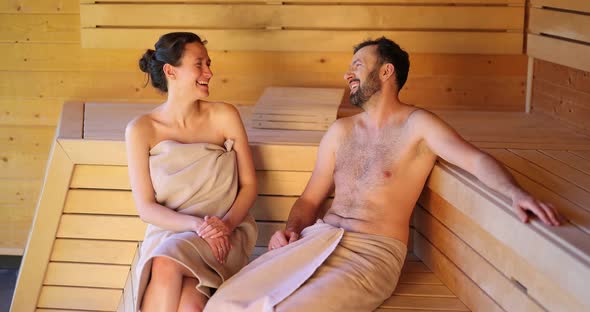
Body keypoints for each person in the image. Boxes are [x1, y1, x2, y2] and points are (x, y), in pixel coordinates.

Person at [204, 37, 561, 312]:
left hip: (371, 254)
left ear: (386, 71)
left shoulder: (418, 126)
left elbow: (477, 160)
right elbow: (310, 198)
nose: (348, 73)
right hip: (317, 239)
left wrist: (516, 193)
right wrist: (292, 230)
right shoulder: (340, 132)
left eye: (358, 64)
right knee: (223, 303)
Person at [125, 32, 258, 312]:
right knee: (189, 304)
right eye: (199, 64)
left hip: (227, 232)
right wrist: (197, 226)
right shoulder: (141, 130)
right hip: (170, 233)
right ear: (170, 71)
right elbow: (146, 208)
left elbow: (248, 185)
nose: (209, 72)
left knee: (165, 262)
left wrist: (223, 227)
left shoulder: (225, 116)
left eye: (209, 63)